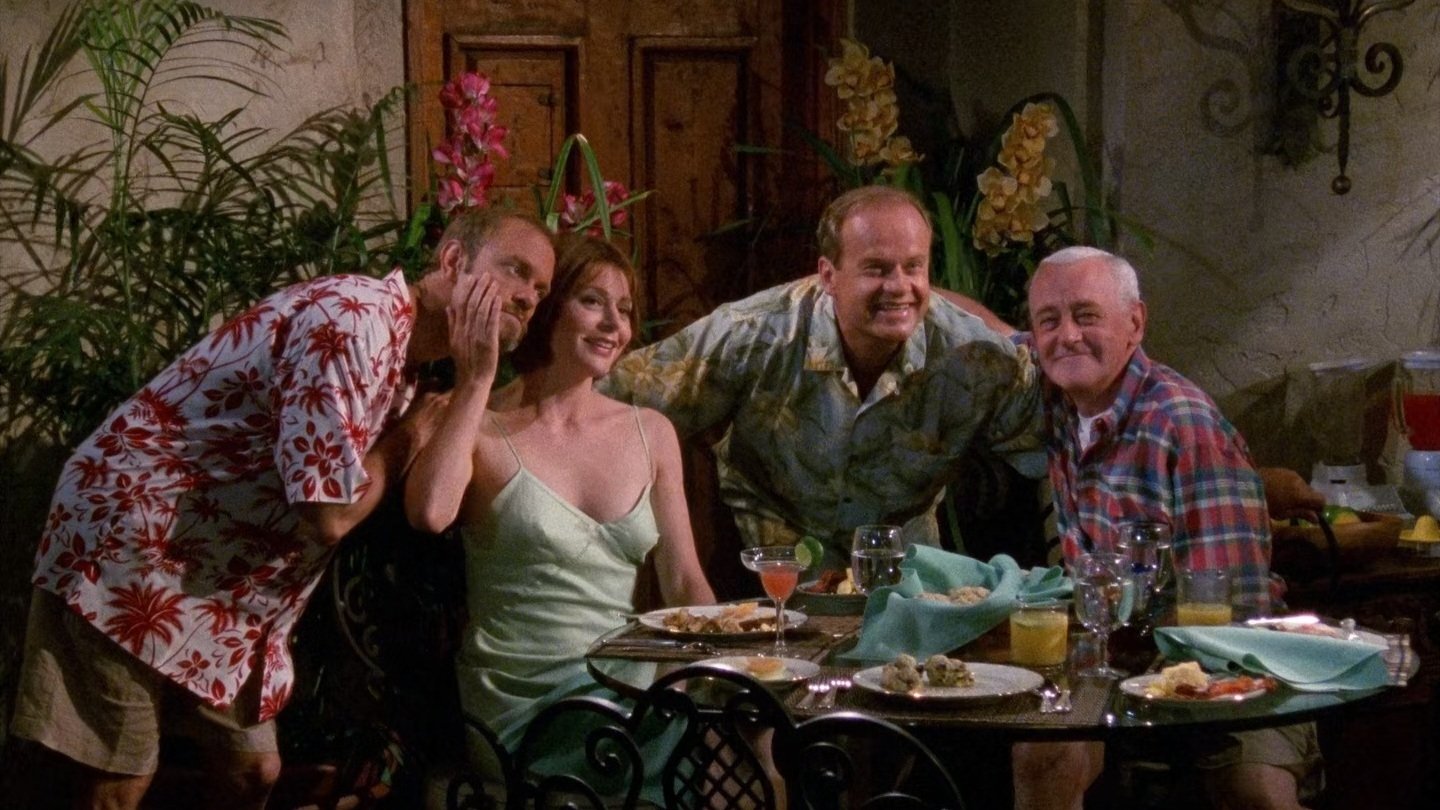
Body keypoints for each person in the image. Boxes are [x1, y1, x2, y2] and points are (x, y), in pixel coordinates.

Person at [8, 208, 556, 810]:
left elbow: (426, 510)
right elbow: (330, 514)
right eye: (515, 270)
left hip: (218, 579)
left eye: (541, 288)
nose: (528, 296)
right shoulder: (354, 320)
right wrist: (408, 436)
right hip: (132, 543)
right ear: (452, 260)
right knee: (117, 780)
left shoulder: (410, 367)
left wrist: (473, 384)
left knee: (252, 773)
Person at [1010, 246, 1320, 810]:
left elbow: (1233, 606)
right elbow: (983, 337)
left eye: (1086, 316)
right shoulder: (1060, 406)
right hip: (1113, 660)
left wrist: (1148, 671)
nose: (1067, 336)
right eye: (1048, 321)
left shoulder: (1181, 422)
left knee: (1253, 793)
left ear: (1135, 324)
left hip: (1233, 661)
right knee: (1043, 754)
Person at [600, 185, 1043, 563]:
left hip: (906, 565)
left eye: (913, 267)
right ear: (829, 275)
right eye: (876, 268)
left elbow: (1056, 431)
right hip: (773, 558)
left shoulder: (975, 355)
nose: (899, 287)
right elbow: (610, 402)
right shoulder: (753, 334)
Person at [404, 233, 715, 761]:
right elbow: (430, 512)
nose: (615, 325)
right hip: (524, 703)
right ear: (548, 310)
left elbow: (685, 582)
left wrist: (701, 673)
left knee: (758, 730)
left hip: (626, 687)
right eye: (593, 302)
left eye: (624, 310)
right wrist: (476, 380)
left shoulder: (651, 432)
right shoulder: (481, 426)